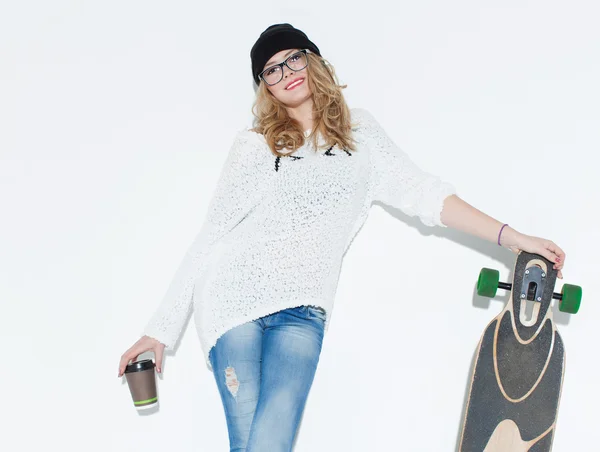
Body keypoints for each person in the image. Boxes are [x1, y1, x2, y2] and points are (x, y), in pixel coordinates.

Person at [118, 23, 566, 452]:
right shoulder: (254, 147)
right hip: (233, 303)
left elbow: (425, 195)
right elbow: (211, 237)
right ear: (265, 87)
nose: (286, 73)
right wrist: (158, 332)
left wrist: (511, 238)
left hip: (302, 311)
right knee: (249, 443)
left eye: (293, 59)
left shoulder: (361, 136)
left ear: (313, 62)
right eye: (271, 70)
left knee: (269, 442)